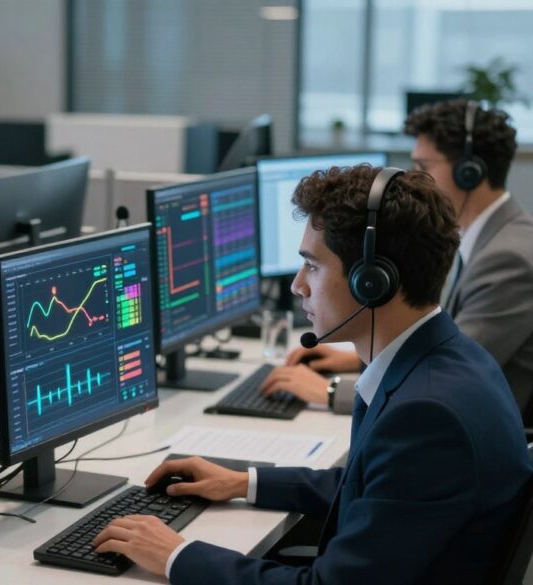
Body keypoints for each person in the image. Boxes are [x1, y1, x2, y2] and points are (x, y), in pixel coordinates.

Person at [92, 166, 532, 582]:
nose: (297, 285)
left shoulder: (428, 414)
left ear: (372, 281)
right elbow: (371, 485)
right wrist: (244, 481)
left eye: (314, 266)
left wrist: (176, 555)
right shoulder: (443, 358)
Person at [263, 100, 533, 421]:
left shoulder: (509, 257)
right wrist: (355, 359)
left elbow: (446, 368)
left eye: (424, 167)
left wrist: (331, 391)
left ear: (469, 173)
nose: (414, 178)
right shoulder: (485, 237)